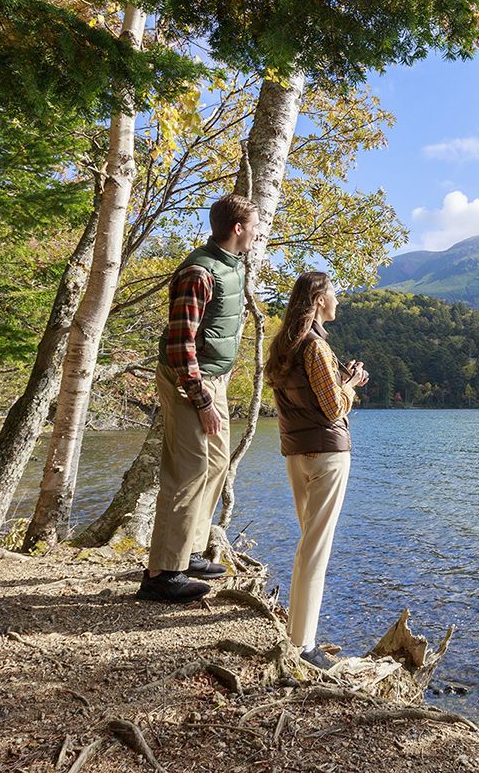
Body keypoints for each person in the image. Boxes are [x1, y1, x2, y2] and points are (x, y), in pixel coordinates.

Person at [137, 193, 258, 602]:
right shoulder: (199, 272)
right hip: (189, 381)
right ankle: (161, 574)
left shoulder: (230, 264)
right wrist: (201, 398)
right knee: (188, 471)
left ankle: (187, 550)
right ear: (238, 228)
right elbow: (179, 343)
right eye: (254, 227)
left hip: (213, 379)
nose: (257, 234)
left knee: (217, 461)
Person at [265, 271, 369, 670]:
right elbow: (333, 407)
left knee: (307, 543)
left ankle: (297, 632)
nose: (338, 300)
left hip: (296, 453)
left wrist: (339, 380)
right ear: (319, 300)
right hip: (327, 454)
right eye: (334, 294)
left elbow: (305, 398)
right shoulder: (316, 346)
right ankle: (304, 645)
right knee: (315, 549)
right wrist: (351, 384)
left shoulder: (284, 346)